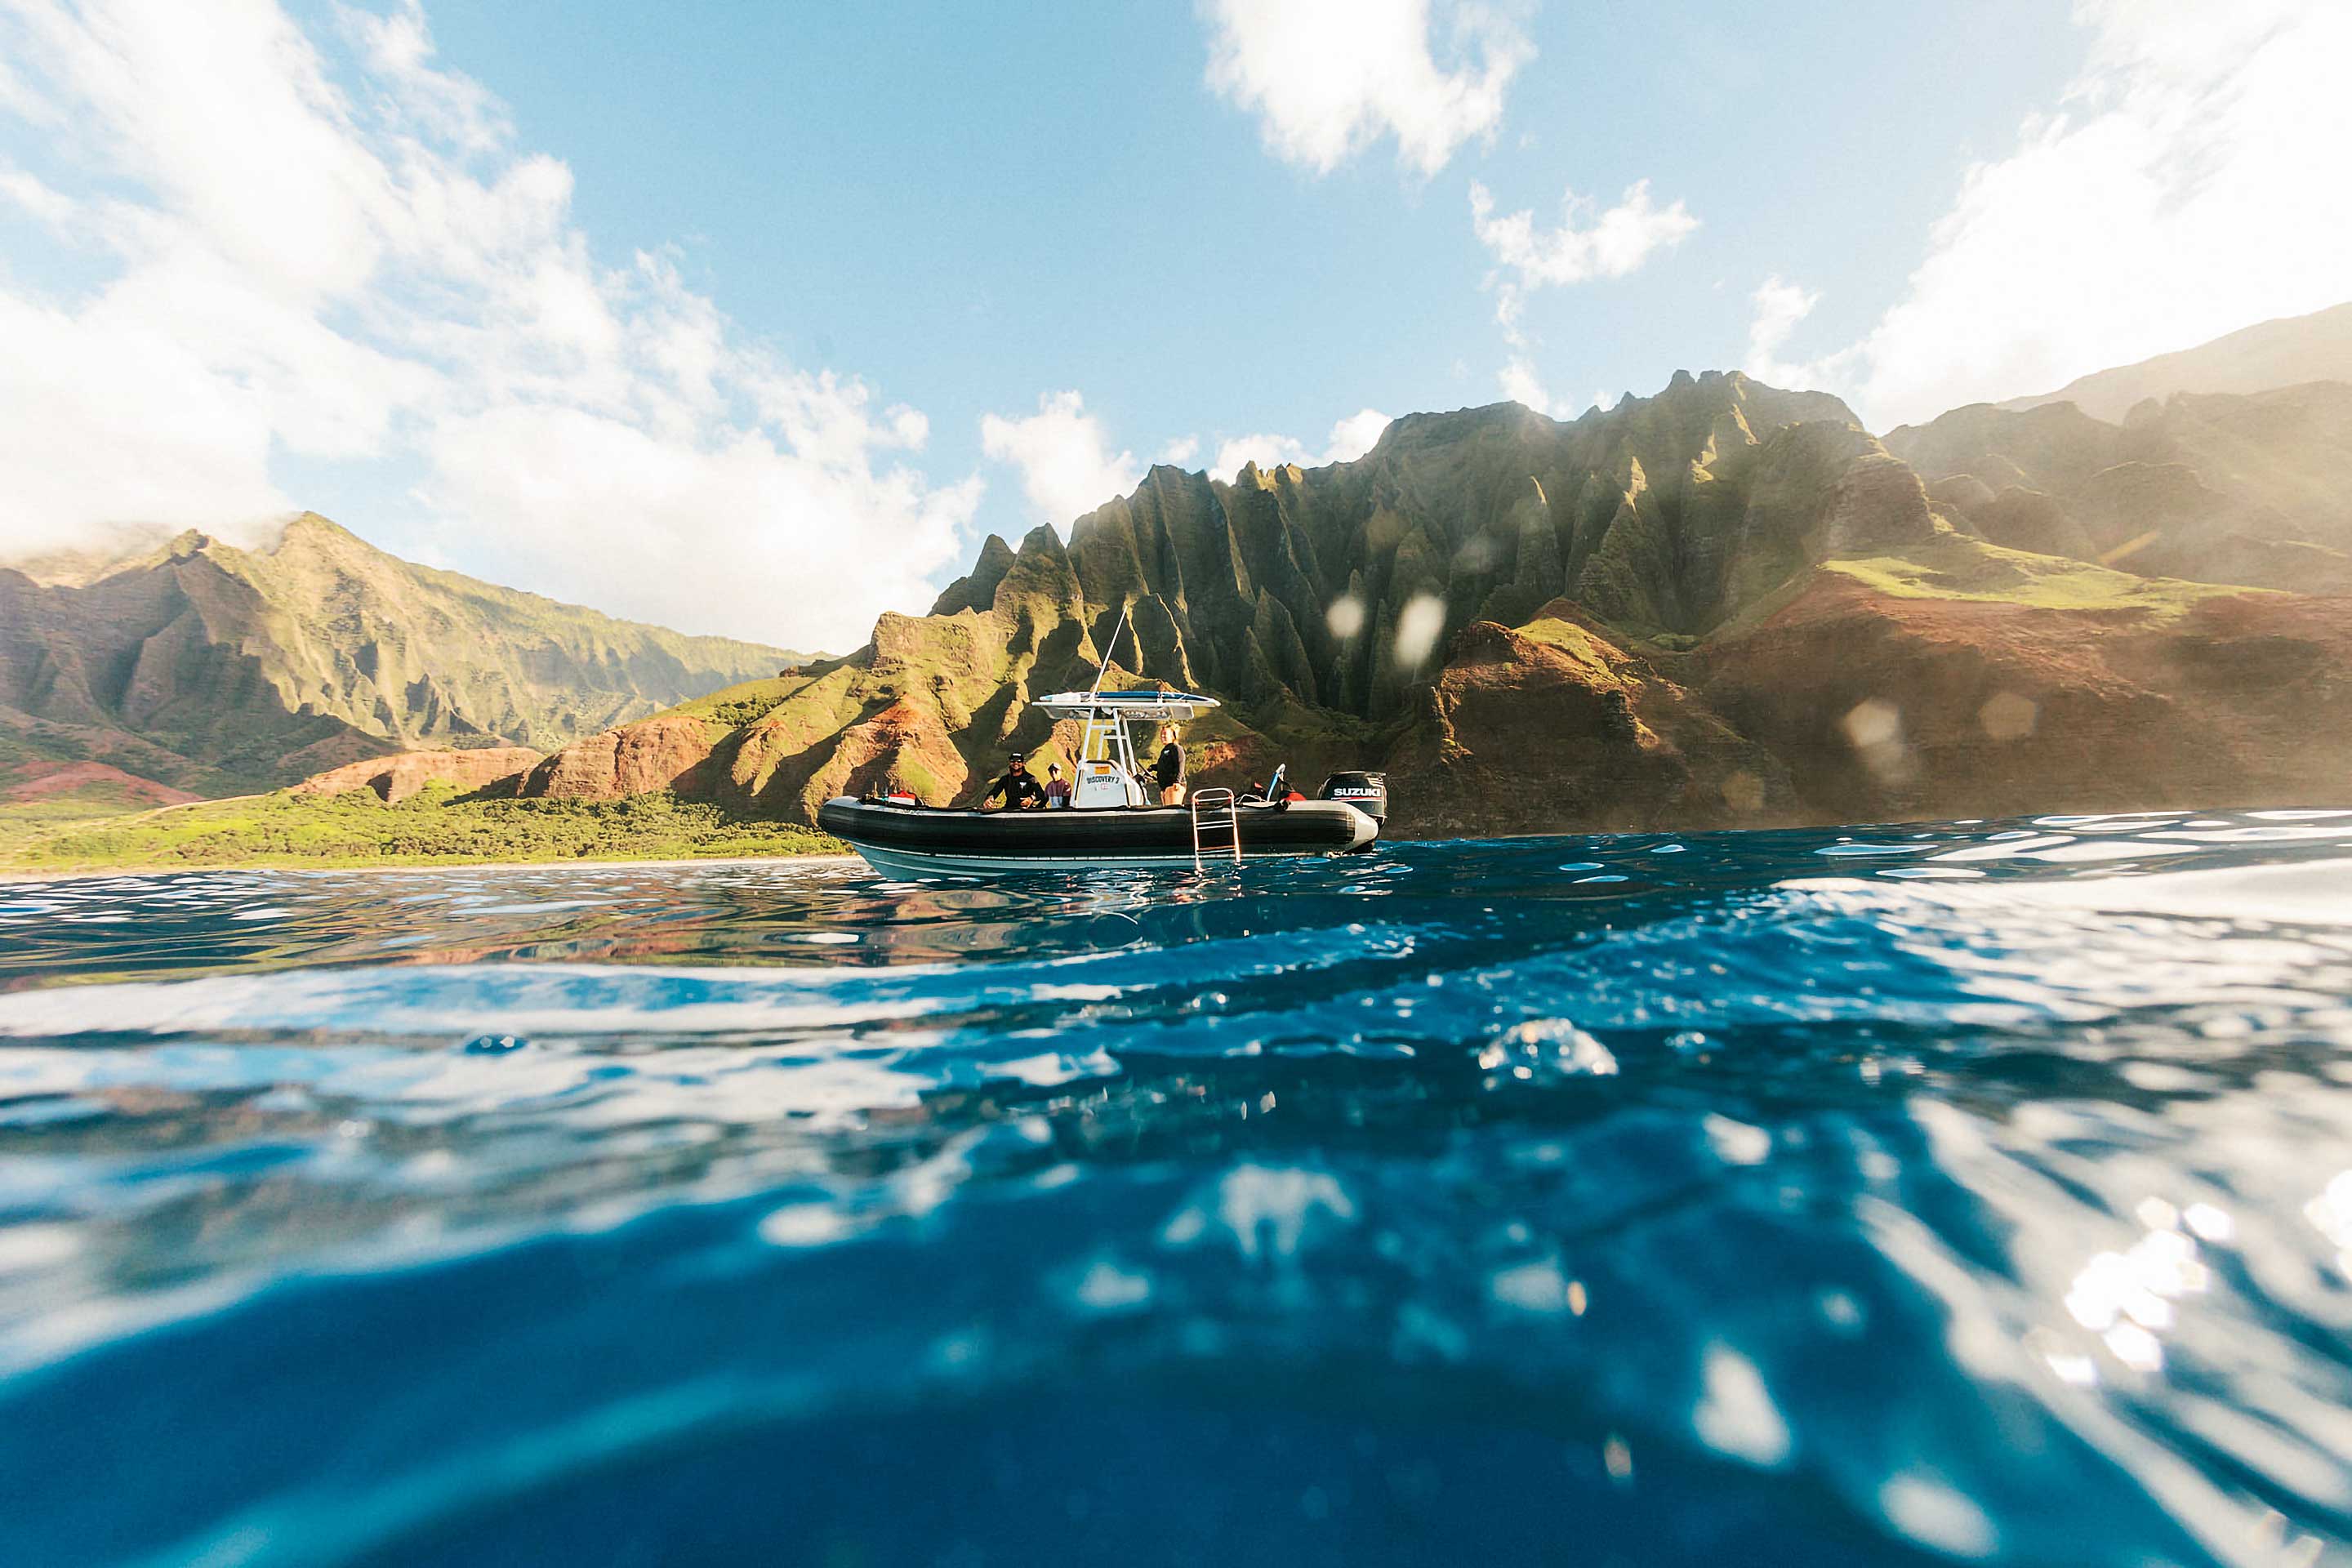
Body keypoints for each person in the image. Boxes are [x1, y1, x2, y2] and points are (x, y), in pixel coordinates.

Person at [978, 751, 1047, 811]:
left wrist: (1031, 798)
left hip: (1026, 811)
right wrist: (989, 799)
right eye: (1013, 761)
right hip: (1009, 810)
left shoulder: (1030, 778)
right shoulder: (1005, 779)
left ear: (1023, 763)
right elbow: (994, 792)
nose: (1016, 763)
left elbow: (1041, 794)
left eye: (1019, 761)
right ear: (1010, 763)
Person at [1152, 724, 1186, 806]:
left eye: (1165, 734)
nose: (1162, 736)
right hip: (1165, 786)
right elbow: (1164, 765)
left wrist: (1177, 781)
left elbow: (1180, 765)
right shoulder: (1165, 750)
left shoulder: (1176, 748)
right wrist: (1152, 768)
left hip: (1174, 785)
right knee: (1166, 808)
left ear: (1172, 735)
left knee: (1172, 808)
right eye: (1161, 734)